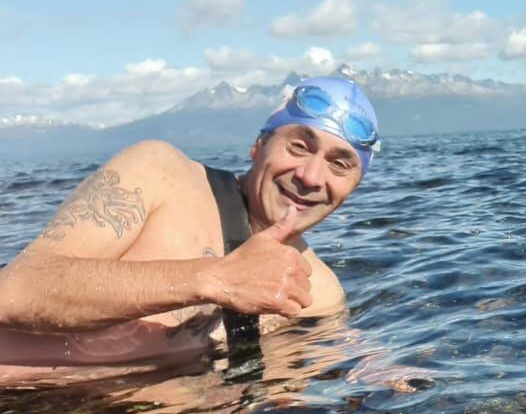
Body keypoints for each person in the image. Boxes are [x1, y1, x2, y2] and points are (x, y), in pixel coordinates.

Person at [0, 77, 380, 381]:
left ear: (353, 187)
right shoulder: (160, 175)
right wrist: (212, 278)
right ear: (258, 146)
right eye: (298, 146)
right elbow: (15, 291)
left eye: (340, 164)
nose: (311, 176)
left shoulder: (322, 294)